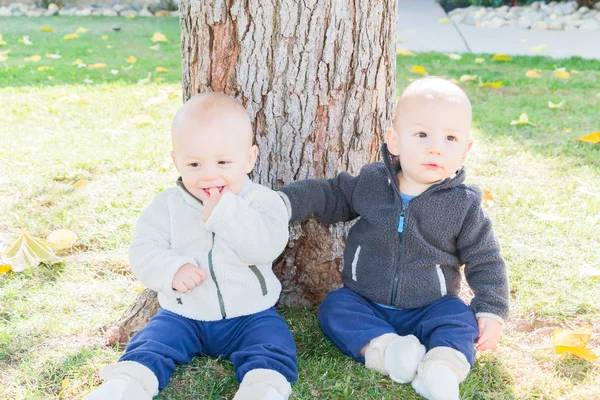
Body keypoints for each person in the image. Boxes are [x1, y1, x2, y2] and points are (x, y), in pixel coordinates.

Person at [278, 77, 509, 400]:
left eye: (450, 138)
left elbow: (486, 260)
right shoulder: (373, 183)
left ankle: (442, 369)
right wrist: (284, 202)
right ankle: (387, 352)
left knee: (460, 320)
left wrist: (491, 310)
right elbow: (331, 194)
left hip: (432, 306)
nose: (435, 147)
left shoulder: (464, 204)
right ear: (395, 141)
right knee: (334, 307)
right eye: (422, 134)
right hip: (366, 301)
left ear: (465, 150)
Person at [86, 92, 297, 400]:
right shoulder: (167, 205)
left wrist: (225, 214)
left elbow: (266, 247)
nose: (209, 175)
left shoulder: (263, 202)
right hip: (183, 314)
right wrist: (172, 270)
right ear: (176, 161)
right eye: (194, 163)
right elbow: (144, 248)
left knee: (273, 345)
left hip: (250, 313)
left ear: (249, 159)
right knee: (151, 343)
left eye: (223, 162)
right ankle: (126, 385)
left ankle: (262, 389)